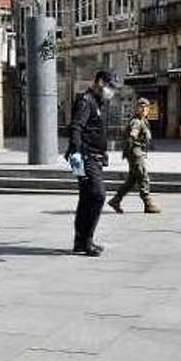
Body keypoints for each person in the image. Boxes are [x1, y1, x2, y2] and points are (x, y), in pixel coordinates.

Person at [66, 70, 121, 257]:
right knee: (97, 195)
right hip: (86, 157)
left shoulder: (97, 102)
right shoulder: (86, 101)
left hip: (94, 157)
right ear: (100, 82)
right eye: (110, 86)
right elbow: (76, 127)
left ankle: (81, 242)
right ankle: (86, 241)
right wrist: (76, 152)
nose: (111, 91)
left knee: (87, 199)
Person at [107, 97, 161, 214]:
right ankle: (148, 203)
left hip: (138, 151)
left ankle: (116, 200)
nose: (143, 109)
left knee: (132, 179)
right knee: (143, 176)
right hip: (135, 152)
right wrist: (131, 151)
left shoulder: (144, 121)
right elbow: (132, 135)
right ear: (137, 109)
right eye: (141, 107)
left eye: (146, 107)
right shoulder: (136, 121)